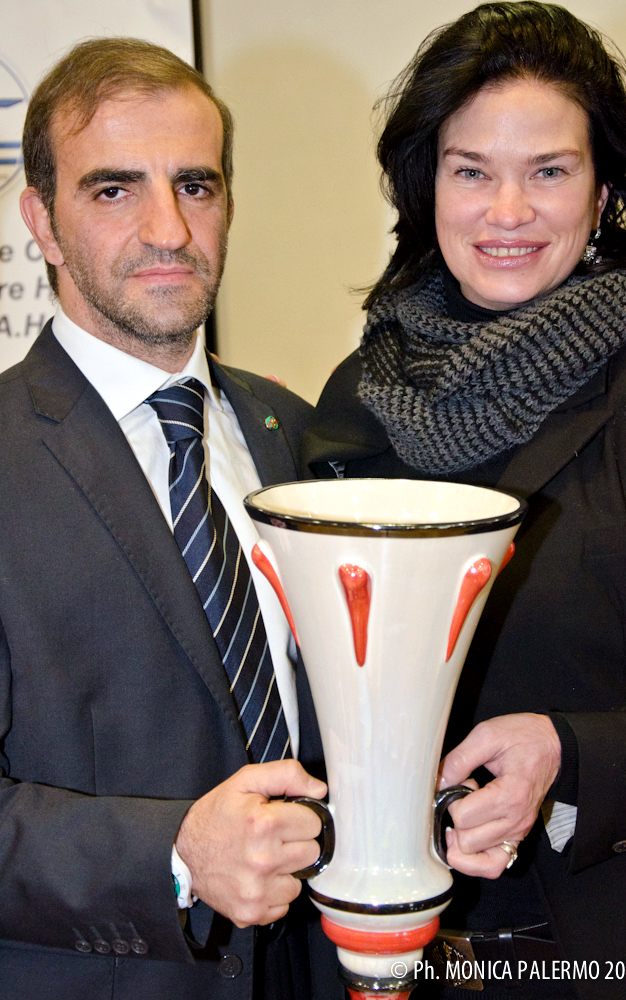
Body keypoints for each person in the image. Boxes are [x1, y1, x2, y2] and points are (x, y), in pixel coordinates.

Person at [302, 3, 626, 997]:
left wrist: (570, 753)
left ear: (602, 194)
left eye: (548, 171)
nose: (508, 211)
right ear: (426, 187)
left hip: (607, 958)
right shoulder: (353, 399)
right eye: (471, 171)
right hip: (375, 955)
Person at [0, 37, 342, 1000]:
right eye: (114, 190)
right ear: (43, 221)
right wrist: (175, 855)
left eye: (196, 185)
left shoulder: (296, 432)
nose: (169, 228)